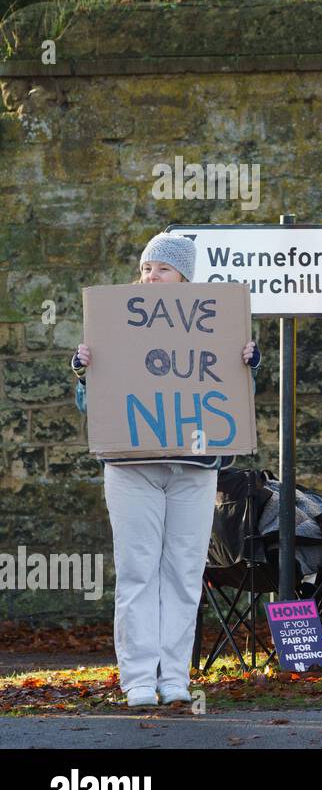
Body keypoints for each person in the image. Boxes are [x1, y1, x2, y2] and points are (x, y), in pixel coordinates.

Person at [72, 233, 259, 708]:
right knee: (138, 572)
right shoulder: (115, 325)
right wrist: (84, 373)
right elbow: (92, 408)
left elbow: (229, 398)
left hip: (194, 470)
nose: (152, 276)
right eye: (147, 268)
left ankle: (174, 676)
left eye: (163, 269)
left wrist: (244, 365)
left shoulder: (211, 327)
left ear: (184, 277)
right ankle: (137, 679)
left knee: (183, 571)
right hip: (132, 470)